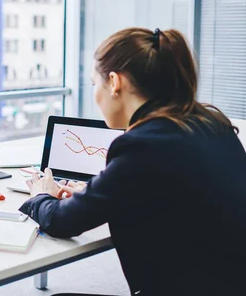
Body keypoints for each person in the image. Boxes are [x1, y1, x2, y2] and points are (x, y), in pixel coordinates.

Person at [20, 28, 246, 296]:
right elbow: (174, 194)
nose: (96, 96)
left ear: (114, 83)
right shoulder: (210, 123)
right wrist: (95, 193)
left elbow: (63, 221)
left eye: (95, 84)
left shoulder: (141, 145)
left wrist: (40, 195)